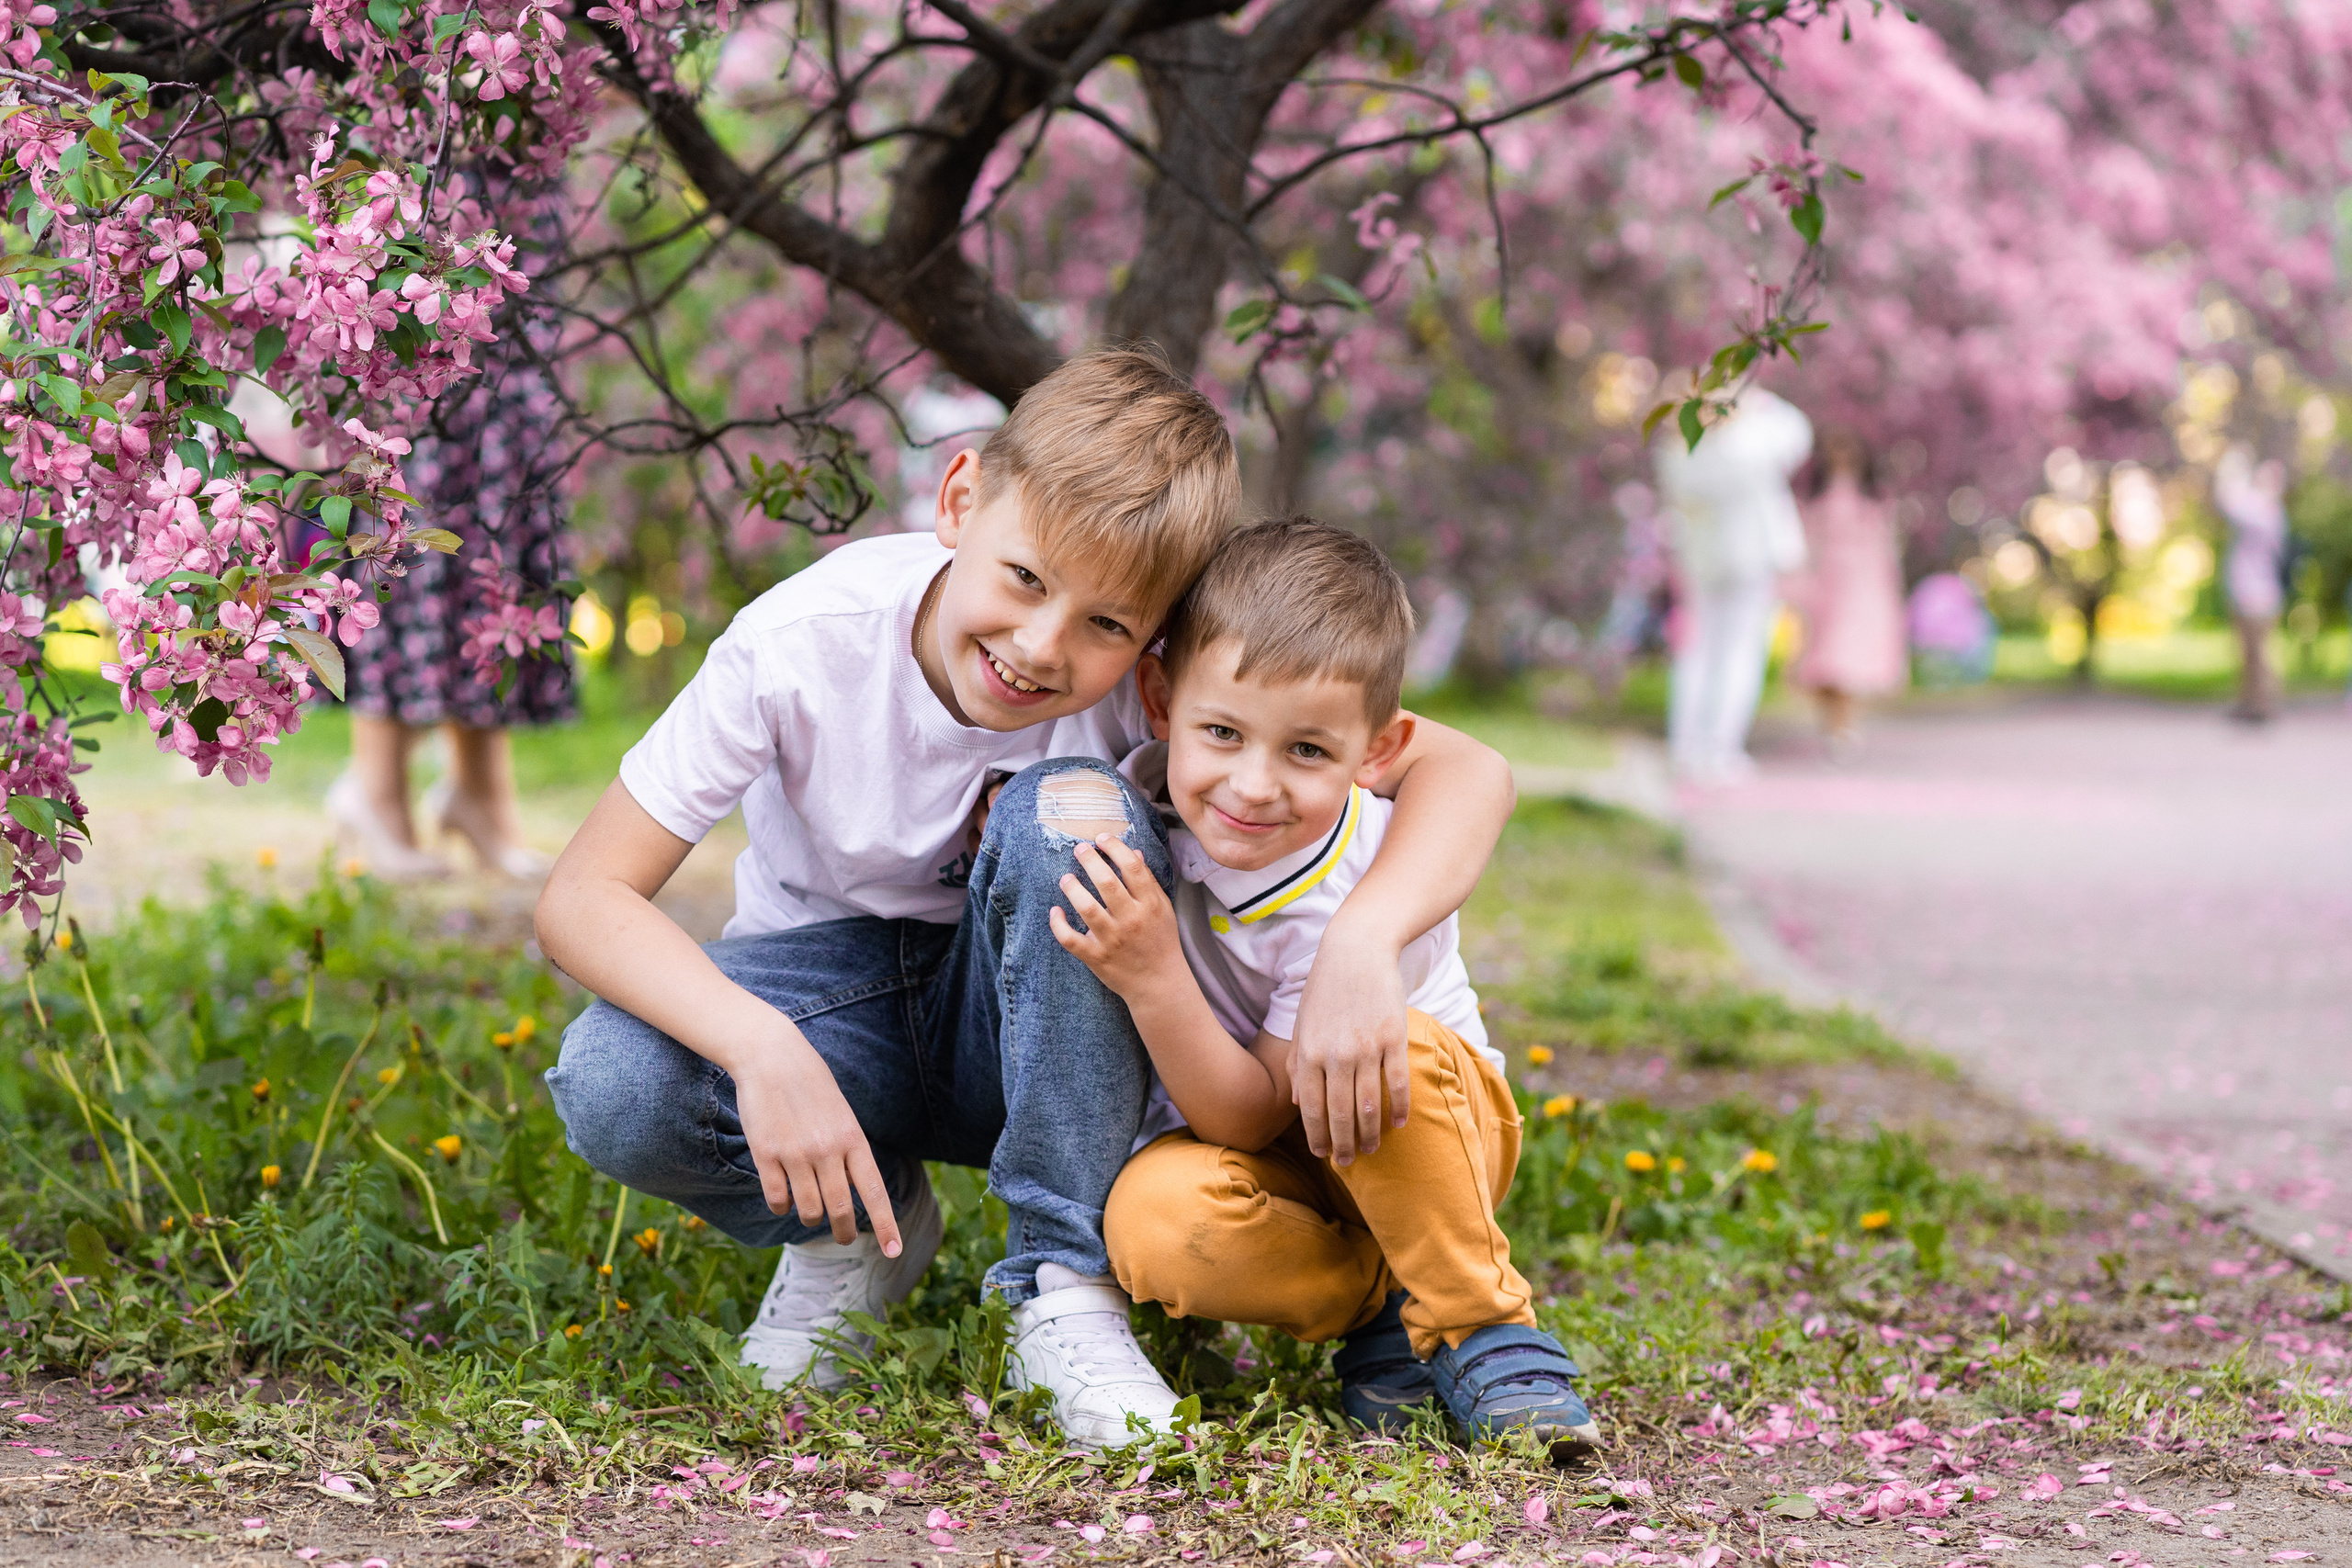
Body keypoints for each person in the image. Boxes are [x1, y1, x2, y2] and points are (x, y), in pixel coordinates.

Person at [534, 349, 1518, 1448]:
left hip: (1051, 1032)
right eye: (1024, 579)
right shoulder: (798, 644)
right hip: (839, 1012)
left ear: (1152, 651)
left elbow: (1467, 770)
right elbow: (582, 897)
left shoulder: (1165, 694)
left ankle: (1062, 1283)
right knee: (616, 1081)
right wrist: (763, 1050)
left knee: (1067, 814)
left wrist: (1363, 942)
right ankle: (855, 1229)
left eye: (1107, 625)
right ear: (960, 500)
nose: (1041, 647)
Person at [1050, 519, 1597, 1459]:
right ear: (1159, 699)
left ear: (1377, 751)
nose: (1252, 786)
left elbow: (1254, 1113)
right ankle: (1381, 1303)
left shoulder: (1358, 870)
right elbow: (1249, 1140)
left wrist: (1155, 981)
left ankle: (1481, 1323)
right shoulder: (1135, 807)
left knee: (1397, 1049)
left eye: (1306, 751)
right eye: (1220, 732)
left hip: (1421, 1129)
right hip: (1291, 1174)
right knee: (1152, 1224)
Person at [323, 338, 573, 881]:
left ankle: (478, 793)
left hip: (510, 358)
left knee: (490, 558)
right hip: (413, 356)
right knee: (410, 550)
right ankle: (378, 792)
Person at [1654, 387, 1813, 783]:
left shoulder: (1679, 447)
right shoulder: (1749, 441)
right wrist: (1760, 399)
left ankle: (1687, 748)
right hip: (1747, 558)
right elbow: (1797, 434)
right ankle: (1719, 748)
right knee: (1739, 652)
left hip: (1700, 558)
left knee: (1698, 651)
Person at [1787, 429, 1907, 755]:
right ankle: (1833, 725)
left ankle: (1843, 728)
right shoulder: (1813, 500)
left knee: (1846, 660)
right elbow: (1805, 545)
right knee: (1824, 664)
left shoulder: (1876, 500)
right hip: (1824, 587)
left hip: (1861, 587)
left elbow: (1886, 550)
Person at [2212, 445, 2289, 725]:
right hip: (2251, 592)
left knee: (2259, 654)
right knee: (2250, 653)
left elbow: (2230, 505)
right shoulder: (2265, 508)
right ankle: (2251, 703)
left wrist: (2232, 473)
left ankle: (2263, 705)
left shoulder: (2265, 510)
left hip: (2258, 594)